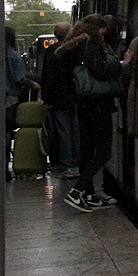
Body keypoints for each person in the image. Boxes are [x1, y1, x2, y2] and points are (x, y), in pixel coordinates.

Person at [56, 14, 131, 212]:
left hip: (83, 104)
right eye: (104, 30)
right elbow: (100, 70)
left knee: (87, 151)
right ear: (99, 29)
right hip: (99, 104)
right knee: (104, 150)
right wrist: (122, 63)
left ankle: (89, 195)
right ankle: (77, 191)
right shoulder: (93, 44)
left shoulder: (74, 44)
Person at [40, 22, 79, 178]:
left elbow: (48, 77)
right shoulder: (76, 49)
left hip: (58, 98)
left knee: (63, 131)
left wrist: (47, 98)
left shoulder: (52, 51)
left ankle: (66, 164)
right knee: (75, 130)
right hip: (76, 96)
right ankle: (76, 162)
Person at [5, 26, 37, 182]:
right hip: (10, 99)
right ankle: (5, 167)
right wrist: (33, 84)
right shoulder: (15, 57)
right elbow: (20, 79)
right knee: (6, 133)